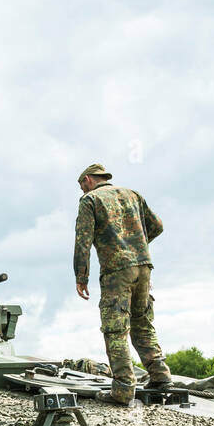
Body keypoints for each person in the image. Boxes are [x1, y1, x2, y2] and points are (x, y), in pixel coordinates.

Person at [72, 163, 172, 405]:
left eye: (81, 186)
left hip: (117, 271)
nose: (81, 191)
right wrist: (135, 244)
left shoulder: (90, 201)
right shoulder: (133, 194)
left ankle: (124, 389)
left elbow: (83, 241)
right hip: (144, 266)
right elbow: (157, 226)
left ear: (88, 180)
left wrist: (81, 277)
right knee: (142, 322)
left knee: (115, 329)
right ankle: (161, 377)